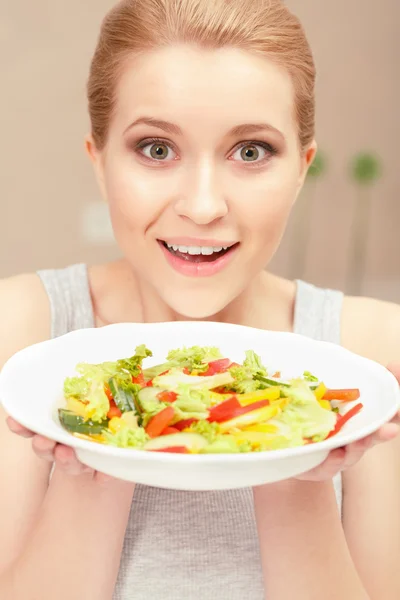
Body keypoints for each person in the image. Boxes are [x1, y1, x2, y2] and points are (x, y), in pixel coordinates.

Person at [0, 0, 399, 598]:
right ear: (101, 163)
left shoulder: (373, 354)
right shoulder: (20, 332)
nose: (204, 205)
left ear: (301, 169)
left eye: (251, 152)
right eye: (157, 149)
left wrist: (295, 467)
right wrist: (100, 447)